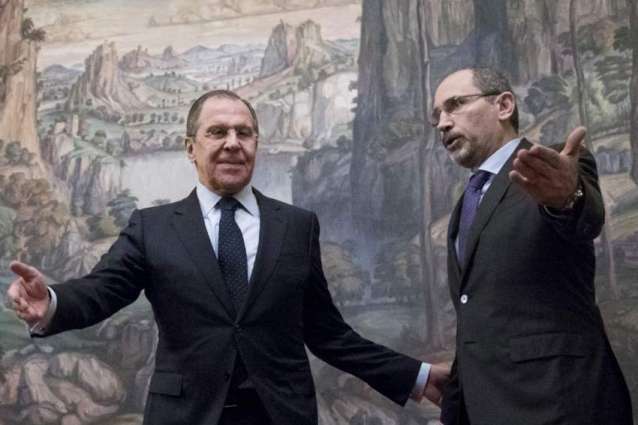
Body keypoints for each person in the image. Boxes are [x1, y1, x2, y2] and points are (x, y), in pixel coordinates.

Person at [7, 90, 449, 425]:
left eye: (244, 132)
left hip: (281, 415)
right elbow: (102, 291)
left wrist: (415, 375)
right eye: (217, 132)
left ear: (256, 144)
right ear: (190, 147)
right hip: (186, 414)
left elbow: (328, 333)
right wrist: (52, 303)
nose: (233, 143)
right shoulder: (152, 226)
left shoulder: (297, 226)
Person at [430, 67, 633, 425]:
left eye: (455, 104)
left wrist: (569, 197)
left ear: (504, 105)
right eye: (437, 116)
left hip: (559, 402)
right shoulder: (469, 200)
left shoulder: (551, 165)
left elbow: (583, 218)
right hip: (487, 407)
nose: (443, 124)